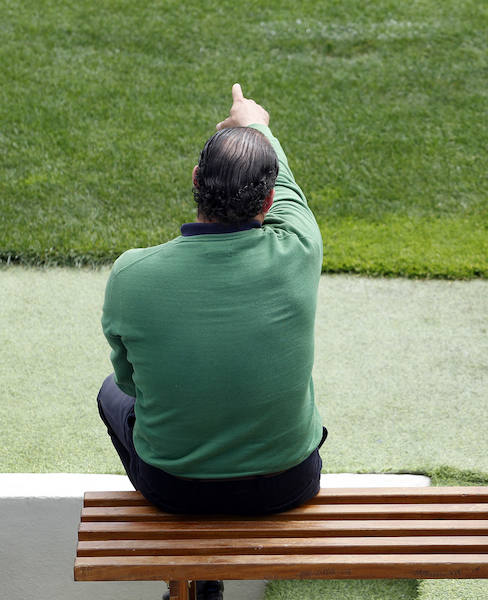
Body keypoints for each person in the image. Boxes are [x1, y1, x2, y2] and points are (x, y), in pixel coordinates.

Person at [98, 84, 326, 600]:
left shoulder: (132, 273)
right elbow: (286, 185)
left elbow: (132, 383)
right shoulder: (300, 246)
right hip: (286, 484)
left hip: (174, 490)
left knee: (111, 392)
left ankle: (201, 584)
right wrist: (254, 123)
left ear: (196, 180)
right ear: (268, 200)